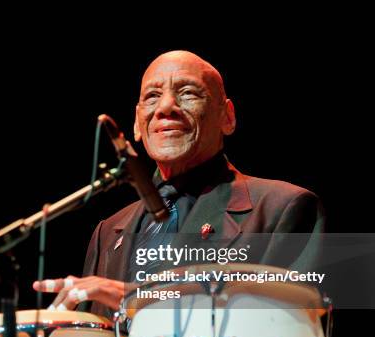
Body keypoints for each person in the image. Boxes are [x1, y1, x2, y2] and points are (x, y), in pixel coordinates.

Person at [33, 50, 324, 317]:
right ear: (137, 123)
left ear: (227, 116)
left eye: (188, 93)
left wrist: (135, 297)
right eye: (152, 97)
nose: (167, 107)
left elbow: (292, 327)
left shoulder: (283, 207)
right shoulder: (108, 233)